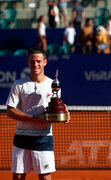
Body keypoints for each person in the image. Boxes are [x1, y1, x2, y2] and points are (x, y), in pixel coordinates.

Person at [6, 47, 70, 180]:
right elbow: (10, 111)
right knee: (18, 177)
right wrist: (32, 119)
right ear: (28, 62)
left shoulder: (53, 84)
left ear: (45, 62)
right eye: (32, 61)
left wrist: (64, 114)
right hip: (22, 137)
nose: (36, 64)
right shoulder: (19, 84)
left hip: (43, 137)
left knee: (45, 178)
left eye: (38, 61)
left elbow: (55, 108)